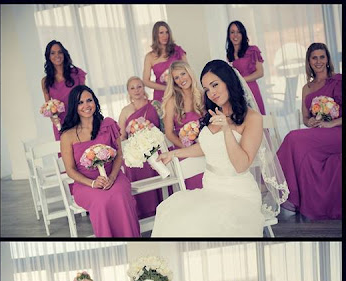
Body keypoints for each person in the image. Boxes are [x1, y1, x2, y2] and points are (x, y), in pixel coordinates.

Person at [151, 60, 288, 237]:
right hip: (210, 190)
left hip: (238, 195)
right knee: (170, 215)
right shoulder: (213, 114)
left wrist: (226, 129)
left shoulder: (253, 118)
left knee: (201, 228)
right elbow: (206, 147)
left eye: (215, 85)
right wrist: (173, 153)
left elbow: (241, 165)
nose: (211, 93)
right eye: (207, 89)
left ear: (228, 81)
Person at [60, 85, 140, 237]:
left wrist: (112, 177)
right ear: (74, 107)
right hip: (85, 183)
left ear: (95, 102)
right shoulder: (67, 136)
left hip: (113, 176)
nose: (86, 105)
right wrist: (92, 183)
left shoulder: (109, 125)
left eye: (89, 100)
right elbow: (70, 169)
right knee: (101, 200)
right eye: (80, 102)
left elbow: (119, 155)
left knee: (119, 195)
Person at [276, 43, 342, 220]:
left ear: (327, 59)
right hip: (319, 132)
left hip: (337, 131)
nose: (318, 61)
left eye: (322, 57)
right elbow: (305, 118)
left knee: (292, 137)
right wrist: (310, 121)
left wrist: (332, 123)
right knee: (304, 155)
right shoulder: (307, 88)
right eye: (314, 58)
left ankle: (274, 180)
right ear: (309, 61)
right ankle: (296, 198)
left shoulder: (338, 80)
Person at [118, 76, 163, 219]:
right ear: (128, 91)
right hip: (136, 153)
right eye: (132, 88)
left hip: (155, 150)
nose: (136, 90)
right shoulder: (125, 111)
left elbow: (163, 128)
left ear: (144, 88)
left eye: (139, 86)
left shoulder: (155, 105)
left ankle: (163, 209)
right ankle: (143, 213)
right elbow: (121, 137)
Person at [161, 61, 206, 189]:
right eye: (176, 78)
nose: (181, 80)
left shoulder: (202, 95)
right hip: (183, 148)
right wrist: (187, 148)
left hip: (204, 145)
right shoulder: (172, 101)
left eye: (183, 74)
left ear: (189, 73)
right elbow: (169, 133)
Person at [41, 40, 87, 141]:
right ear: (48, 56)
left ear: (64, 54)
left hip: (80, 119)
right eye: (53, 53)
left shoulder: (77, 73)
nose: (57, 55)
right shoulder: (45, 81)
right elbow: (48, 107)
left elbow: (86, 97)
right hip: (61, 124)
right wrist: (54, 119)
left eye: (60, 52)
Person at [226, 21, 266, 115]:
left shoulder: (252, 50)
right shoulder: (229, 54)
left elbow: (260, 73)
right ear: (229, 35)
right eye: (232, 32)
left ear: (243, 34)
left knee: (257, 115)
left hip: (251, 89)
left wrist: (241, 80)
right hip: (238, 91)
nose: (235, 35)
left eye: (238, 32)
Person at [143, 21, 188, 103]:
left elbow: (188, 71)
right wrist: (167, 88)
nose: (165, 36)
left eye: (167, 32)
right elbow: (146, 81)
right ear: (155, 35)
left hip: (179, 91)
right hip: (161, 95)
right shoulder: (149, 57)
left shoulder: (177, 50)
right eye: (161, 33)